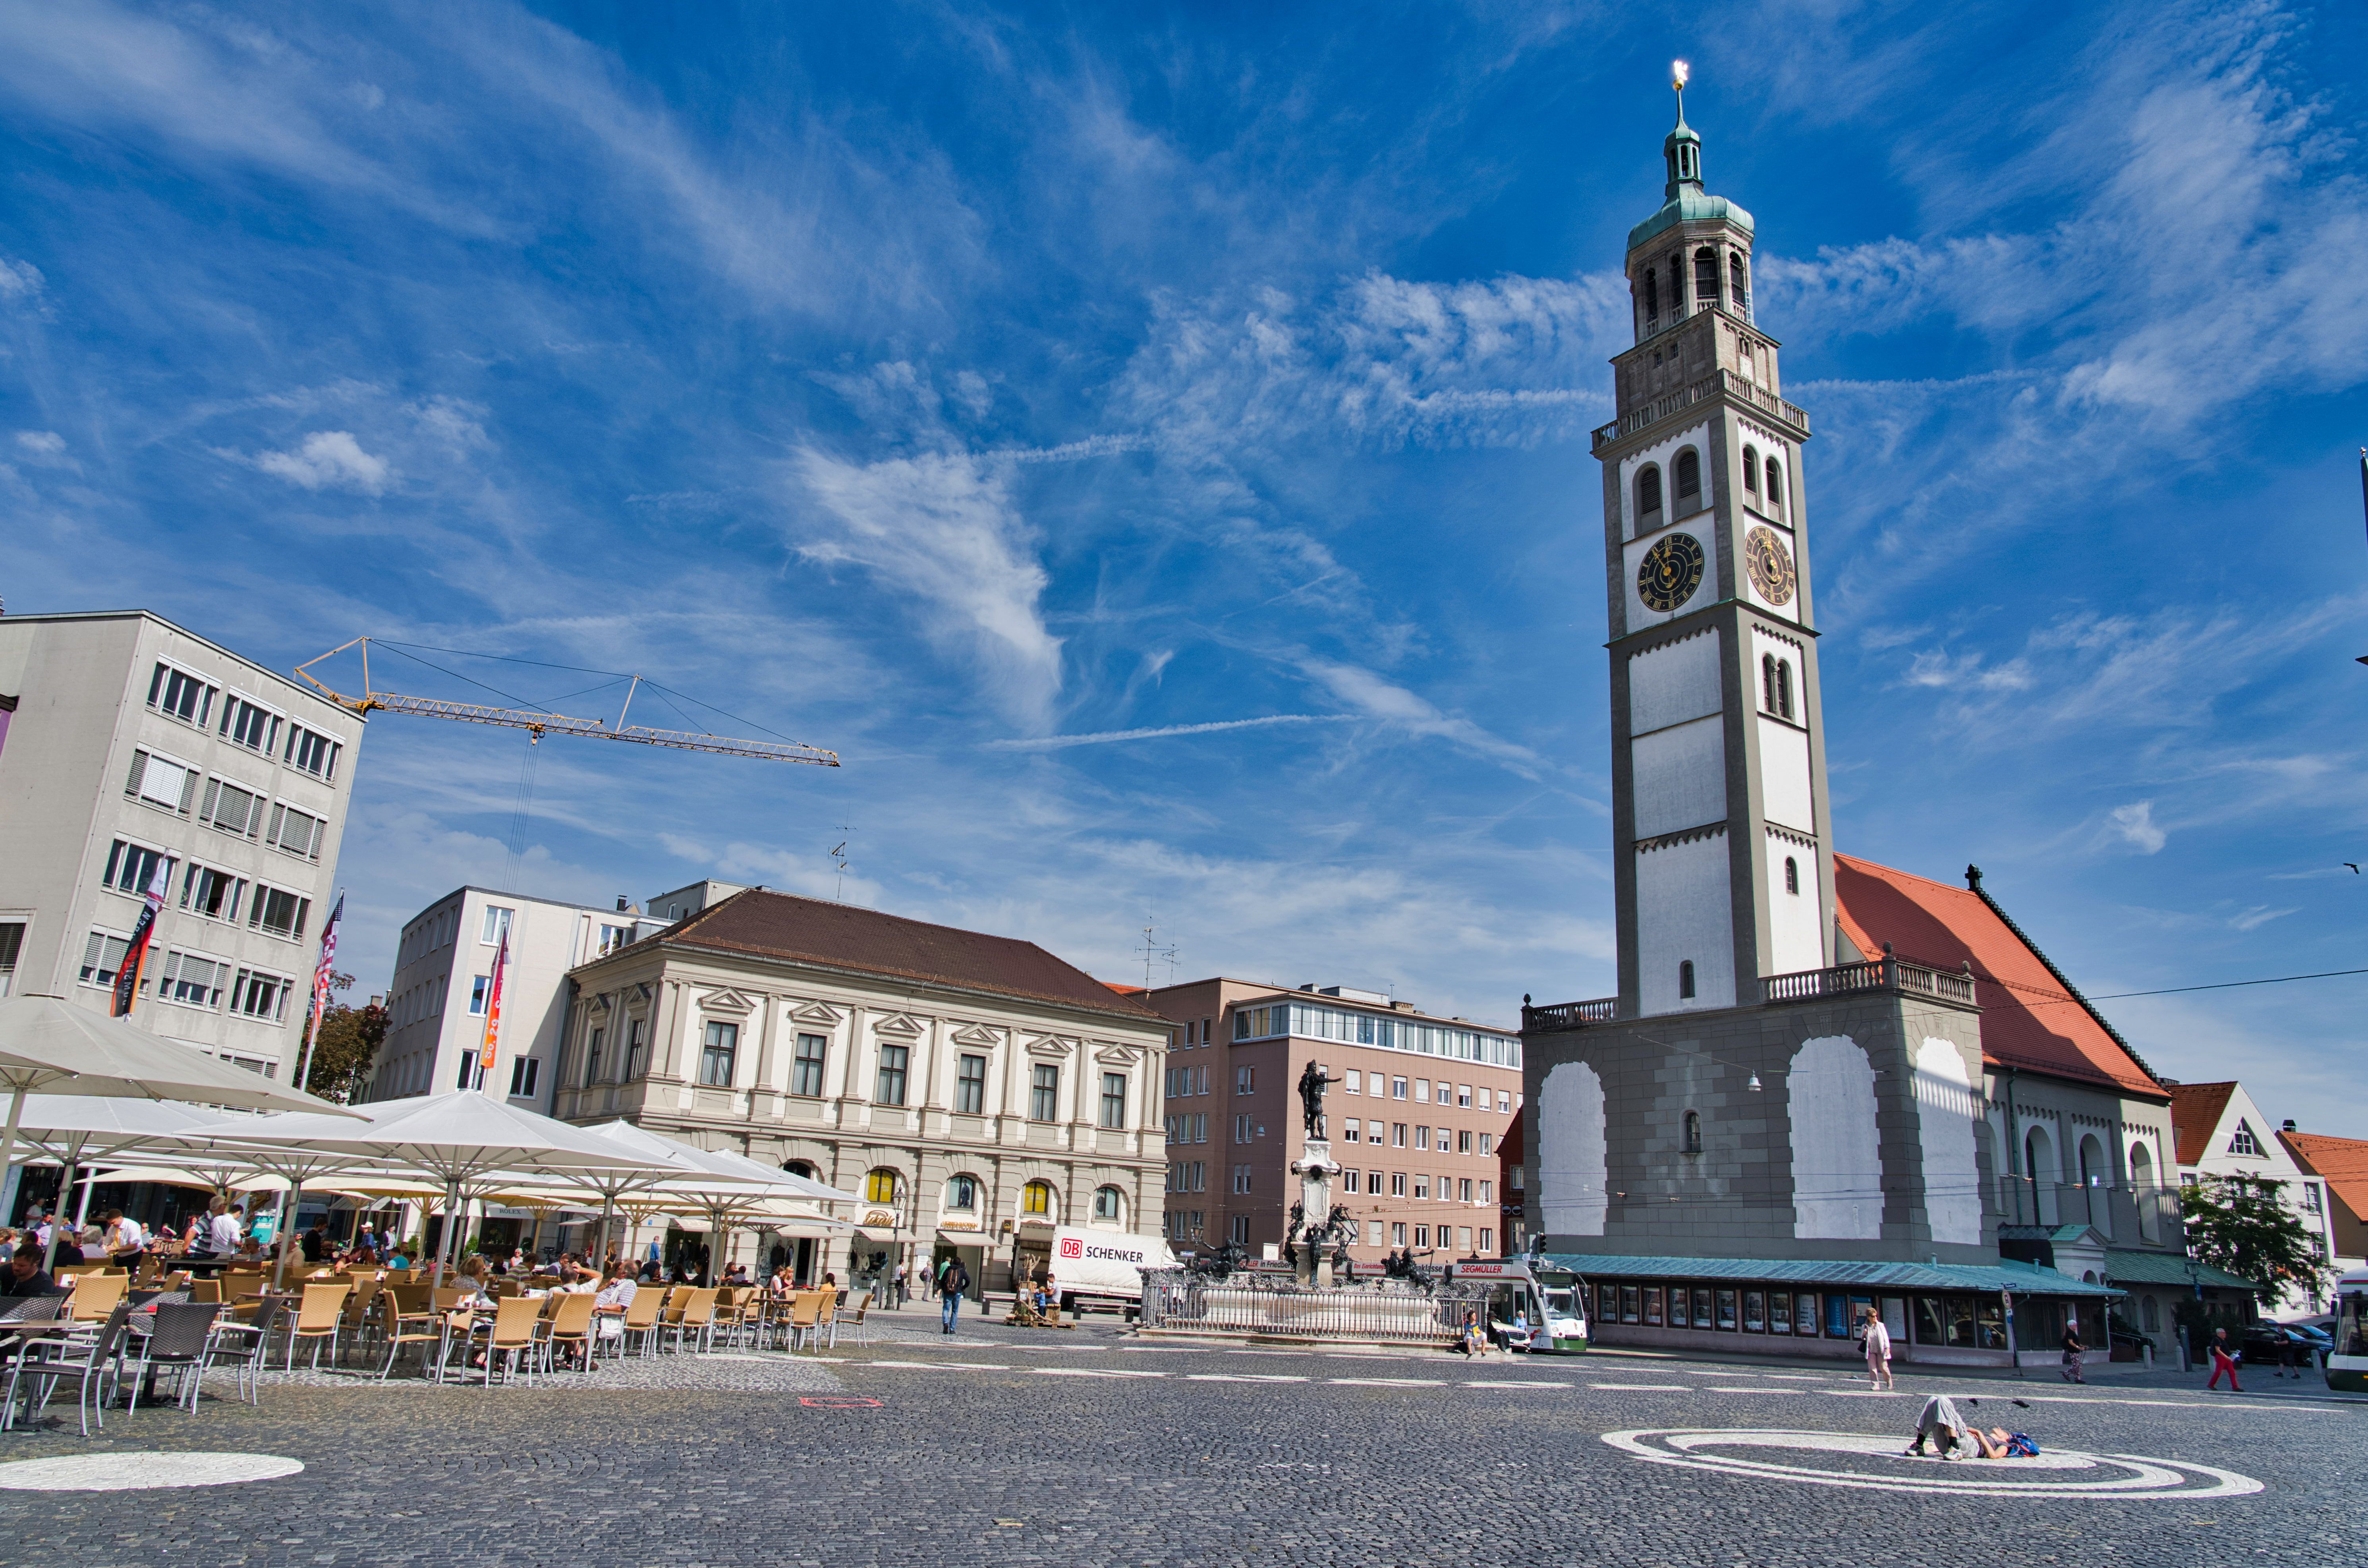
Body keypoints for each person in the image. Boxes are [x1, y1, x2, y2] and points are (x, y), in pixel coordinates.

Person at [1861, 1306, 1895, 1390]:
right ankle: (1875, 1385)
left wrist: (1887, 1348)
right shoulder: (1865, 1326)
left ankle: (1888, 1381)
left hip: (1881, 1350)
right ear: (1869, 1317)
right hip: (1871, 1350)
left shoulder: (1881, 1325)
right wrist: (1864, 1334)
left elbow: (1885, 1337)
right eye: (1873, 1316)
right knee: (1872, 1368)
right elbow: (1862, 1338)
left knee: (1883, 1368)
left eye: (1876, 1316)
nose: (1875, 1318)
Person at [939, 1255, 970, 1334]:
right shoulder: (962, 1271)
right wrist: (963, 1288)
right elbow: (968, 1280)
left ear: (952, 1262)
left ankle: (946, 1323)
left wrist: (944, 1289)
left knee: (946, 1309)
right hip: (958, 1292)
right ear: (960, 1264)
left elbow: (942, 1281)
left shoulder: (948, 1270)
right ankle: (952, 1329)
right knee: (955, 1311)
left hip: (948, 1292)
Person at [2206, 1326, 2242, 1392]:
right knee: (2218, 1372)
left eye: (2225, 1333)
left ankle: (2235, 1387)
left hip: (2226, 1358)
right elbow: (2218, 1350)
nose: (2225, 1334)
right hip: (2221, 1358)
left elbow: (2225, 1350)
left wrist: (2233, 1352)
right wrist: (2226, 1357)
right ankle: (2211, 1384)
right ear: (2219, 1334)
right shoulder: (2217, 1340)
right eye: (2223, 1333)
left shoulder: (2223, 1340)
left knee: (2232, 1372)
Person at [2059, 1318, 2087, 1384]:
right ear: (2071, 1326)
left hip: (2076, 1350)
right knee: (2076, 1364)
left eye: (2076, 1325)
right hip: (2073, 1351)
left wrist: (2082, 1346)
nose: (2076, 1326)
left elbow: (2076, 1342)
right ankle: (2066, 1373)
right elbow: (2071, 1342)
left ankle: (2078, 1378)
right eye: (2075, 1325)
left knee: (2078, 1365)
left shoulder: (2073, 1332)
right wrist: (2079, 1348)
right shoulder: (2070, 1332)